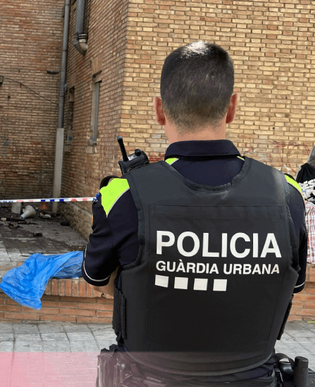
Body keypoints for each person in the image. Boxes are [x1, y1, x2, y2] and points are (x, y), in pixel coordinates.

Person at [82, 41, 307, 386]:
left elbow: (100, 282)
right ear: (231, 108)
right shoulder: (288, 197)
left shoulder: (122, 196)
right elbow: (291, 286)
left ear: (159, 109)